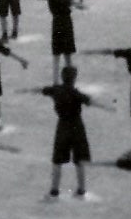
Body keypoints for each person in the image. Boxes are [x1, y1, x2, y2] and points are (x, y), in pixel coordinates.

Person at [37, 66, 96, 198]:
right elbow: (90, 101)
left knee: (57, 159)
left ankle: (54, 190)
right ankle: (81, 189)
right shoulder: (76, 94)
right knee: (79, 158)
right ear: (74, 79)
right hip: (77, 126)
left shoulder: (56, 90)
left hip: (62, 125)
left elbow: (42, 90)